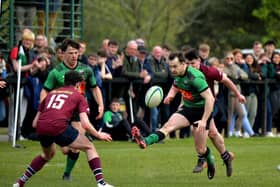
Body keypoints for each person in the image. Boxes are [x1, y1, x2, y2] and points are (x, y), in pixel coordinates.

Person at [12, 71, 114, 187]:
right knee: (89, 146)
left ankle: (20, 182)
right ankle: (101, 183)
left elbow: (35, 123)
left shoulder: (51, 94)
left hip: (42, 127)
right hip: (58, 126)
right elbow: (85, 124)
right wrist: (98, 135)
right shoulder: (78, 96)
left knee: (47, 155)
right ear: (78, 84)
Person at [131, 52, 216, 180]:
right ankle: (145, 141)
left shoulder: (195, 77)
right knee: (167, 127)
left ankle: (210, 161)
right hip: (187, 109)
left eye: (175, 66)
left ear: (183, 64)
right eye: (170, 66)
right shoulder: (178, 75)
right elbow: (175, 86)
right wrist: (170, 95)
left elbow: (210, 99)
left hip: (202, 112)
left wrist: (204, 121)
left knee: (201, 149)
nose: (172, 70)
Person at [39, 38, 104, 180]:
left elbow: (94, 88)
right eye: (71, 53)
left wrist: (101, 105)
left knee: (75, 147)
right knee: (65, 150)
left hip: (78, 112)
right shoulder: (56, 72)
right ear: (62, 54)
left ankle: (67, 174)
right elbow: (44, 91)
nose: (74, 56)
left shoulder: (86, 69)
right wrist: (44, 107)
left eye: (76, 52)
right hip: (60, 112)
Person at [185, 49, 244, 176]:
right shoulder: (186, 73)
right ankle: (226, 156)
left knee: (198, 129)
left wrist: (238, 94)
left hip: (208, 105)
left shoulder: (209, 71)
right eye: (188, 63)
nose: (190, 66)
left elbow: (227, 80)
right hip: (194, 106)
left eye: (193, 63)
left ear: (199, 61)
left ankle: (201, 160)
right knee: (212, 133)